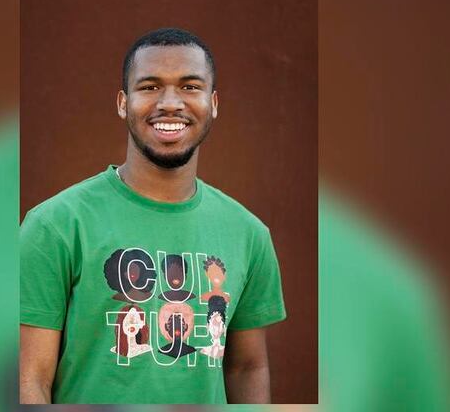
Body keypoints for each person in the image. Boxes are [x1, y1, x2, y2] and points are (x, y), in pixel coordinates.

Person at [19, 27, 287, 404]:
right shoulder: (55, 225)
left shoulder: (248, 233)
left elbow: (247, 368)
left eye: (190, 87)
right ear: (122, 102)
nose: (170, 103)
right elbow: (29, 379)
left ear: (213, 103)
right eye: (149, 87)